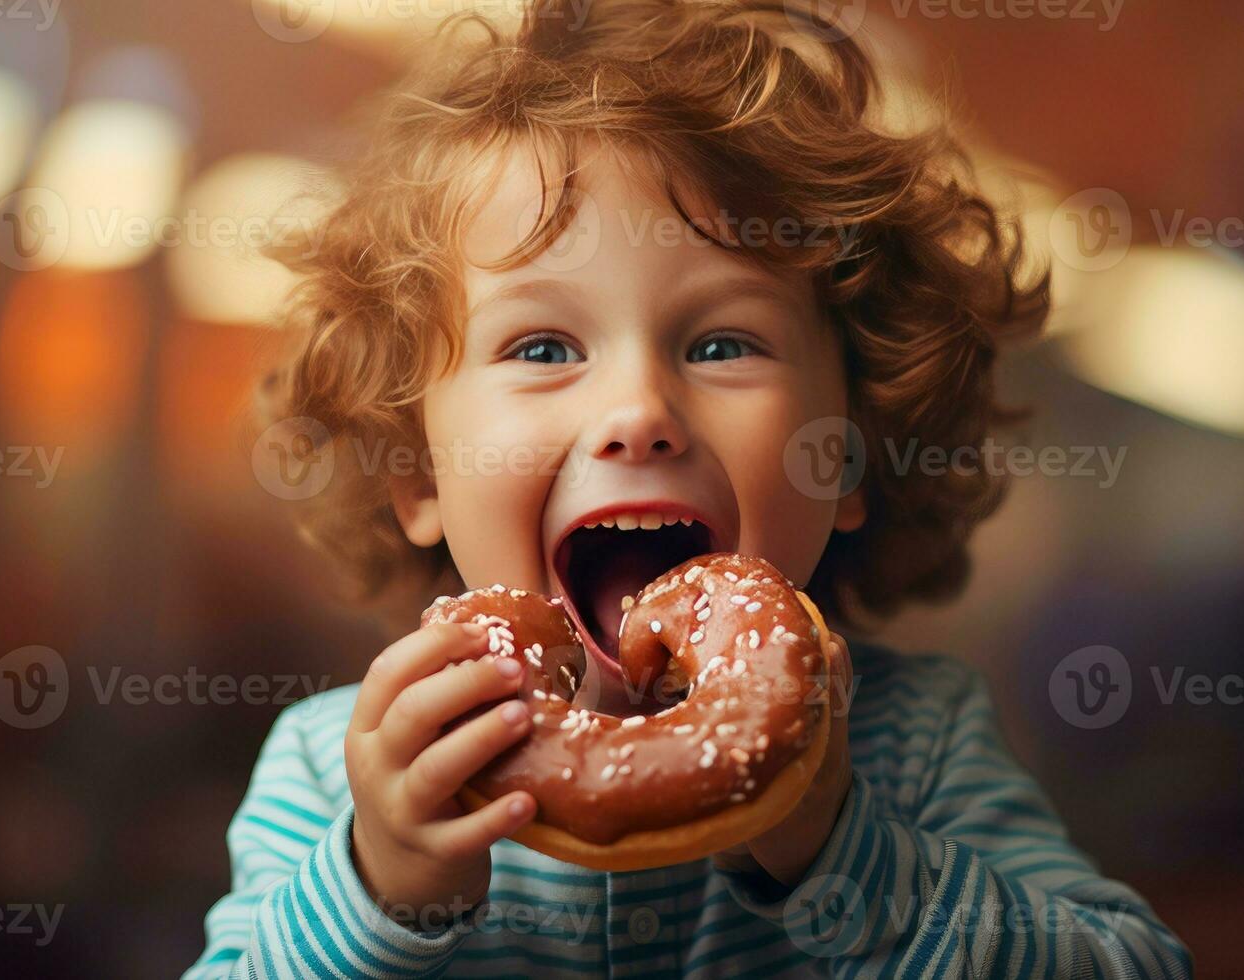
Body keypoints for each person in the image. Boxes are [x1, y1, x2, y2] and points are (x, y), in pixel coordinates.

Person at [186, 1, 1192, 975]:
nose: (639, 407)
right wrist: (380, 888)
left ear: (845, 453)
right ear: (417, 471)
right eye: (543, 345)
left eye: (721, 342)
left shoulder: (916, 742)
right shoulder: (333, 769)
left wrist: (841, 840)